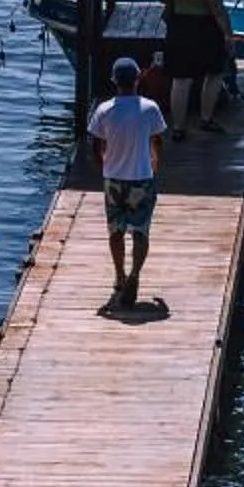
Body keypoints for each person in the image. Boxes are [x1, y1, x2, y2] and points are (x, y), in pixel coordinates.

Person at [87, 54, 166, 309]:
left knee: (116, 230)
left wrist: (103, 163)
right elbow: (157, 140)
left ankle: (119, 275)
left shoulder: (104, 110)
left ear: (114, 81)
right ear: (138, 79)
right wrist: (155, 163)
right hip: (142, 177)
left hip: (113, 178)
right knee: (140, 231)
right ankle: (134, 275)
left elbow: (95, 144)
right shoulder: (149, 108)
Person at [158, 0, 232, 138]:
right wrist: (228, 35)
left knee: (181, 80)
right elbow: (217, 10)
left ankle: (178, 128)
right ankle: (206, 118)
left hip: (179, 28)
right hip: (205, 30)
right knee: (214, 74)